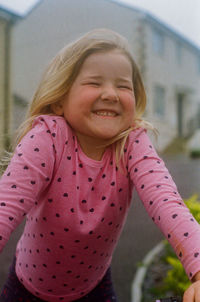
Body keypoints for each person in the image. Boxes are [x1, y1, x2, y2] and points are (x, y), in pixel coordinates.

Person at [0, 28, 200, 302]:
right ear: (60, 99)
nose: (111, 94)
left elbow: (167, 202)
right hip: (26, 287)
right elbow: (4, 207)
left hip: (94, 287)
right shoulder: (47, 137)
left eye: (123, 85)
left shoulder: (132, 143)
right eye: (94, 83)